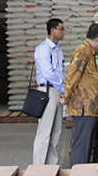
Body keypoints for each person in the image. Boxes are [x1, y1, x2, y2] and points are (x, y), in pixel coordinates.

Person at [64, 23, 98, 167]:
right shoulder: (82, 51)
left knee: (87, 144)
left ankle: (84, 171)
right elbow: (73, 74)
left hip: (90, 107)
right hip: (83, 106)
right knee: (82, 144)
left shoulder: (89, 52)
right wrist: (66, 94)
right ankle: (77, 172)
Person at [32, 18, 67, 165]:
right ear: (53, 30)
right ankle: (39, 169)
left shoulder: (58, 51)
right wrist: (64, 88)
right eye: (61, 29)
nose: (64, 32)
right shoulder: (43, 49)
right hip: (48, 91)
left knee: (56, 133)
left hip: (57, 92)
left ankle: (51, 167)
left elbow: (61, 72)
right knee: (44, 133)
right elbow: (48, 73)